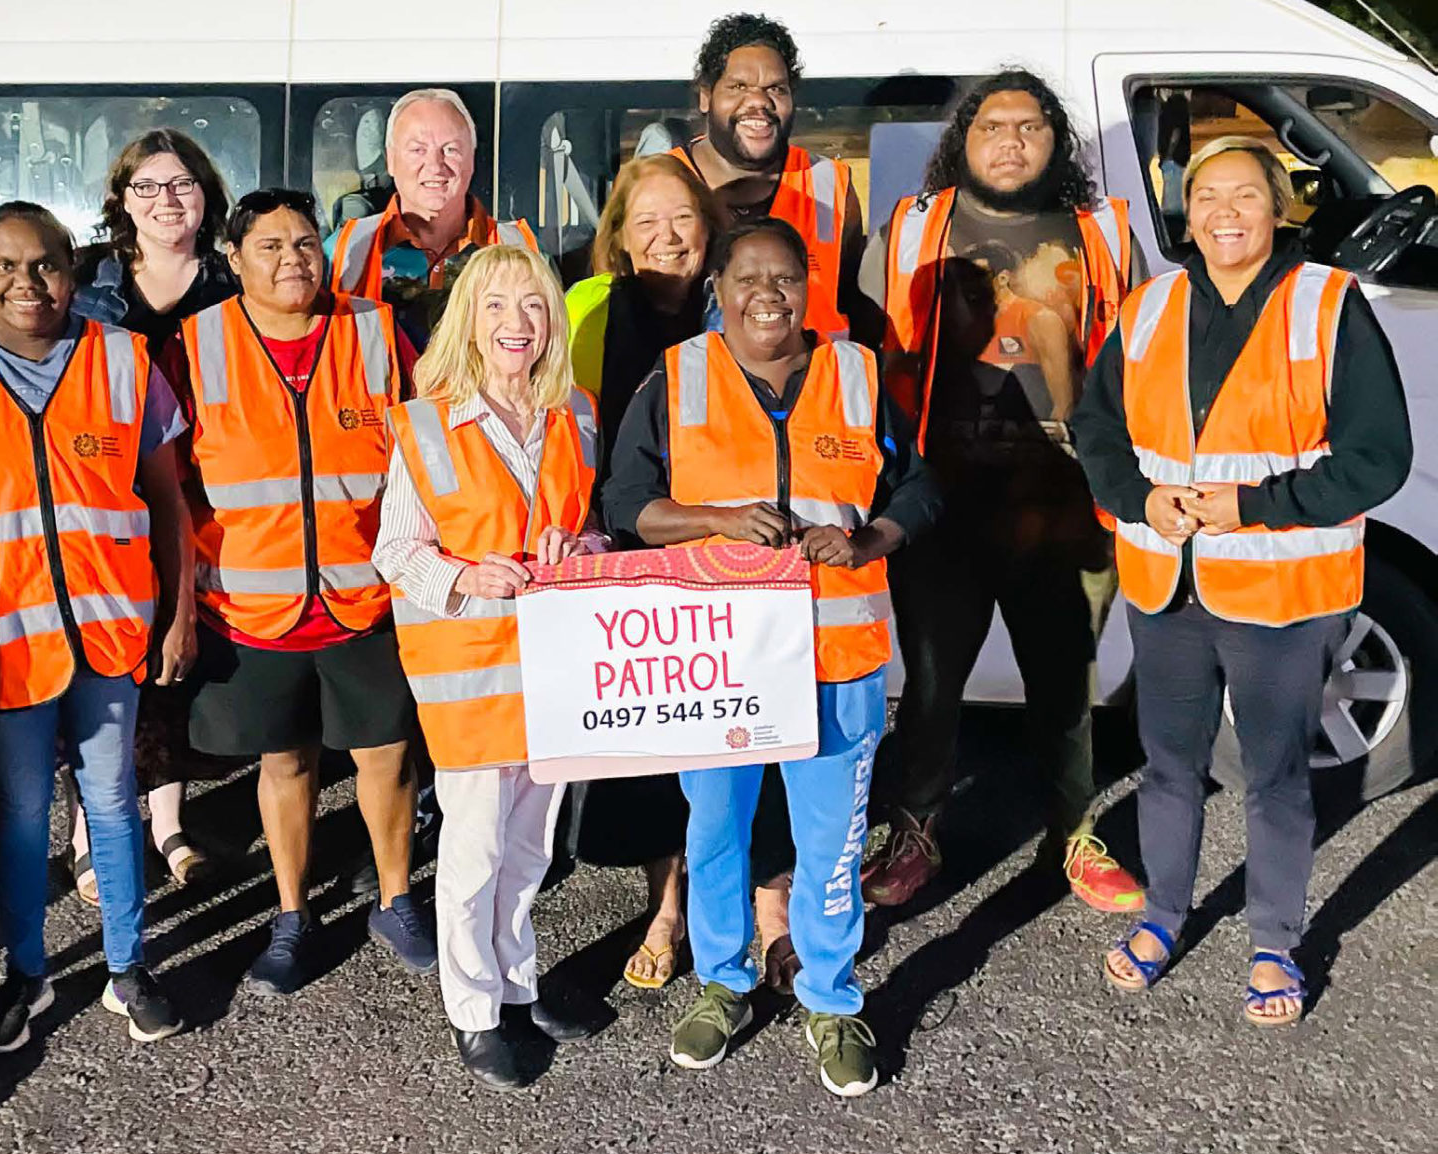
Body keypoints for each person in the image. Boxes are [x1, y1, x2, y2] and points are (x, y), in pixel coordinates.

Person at [1072, 137, 1411, 1026]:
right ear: (1185, 211)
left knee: (1275, 776)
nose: (1225, 212)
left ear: (1279, 206)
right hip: (1166, 587)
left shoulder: (1326, 304)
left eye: (1246, 195)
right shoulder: (1149, 305)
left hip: (1279, 595)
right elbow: (1096, 423)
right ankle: (1162, 918)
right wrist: (1138, 496)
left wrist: (1256, 504)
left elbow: (1382, 458)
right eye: (1207, 195)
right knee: (1169, 768)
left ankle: (1273, 943)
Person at [601, 217, 940, 1096]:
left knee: (831, 841)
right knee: (715, 830)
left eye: (785, 277)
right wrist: (716, 518)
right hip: (720, 661)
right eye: (748, 277)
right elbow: (629, 502)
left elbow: (920, 488)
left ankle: (830, 997)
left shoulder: (859, 375)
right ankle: (722, 981)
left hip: (839, 656)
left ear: (809, 283)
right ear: (718, 286)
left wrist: (871, 540)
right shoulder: (677, 380)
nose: (768, 295)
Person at [857, 70, 1149, 915]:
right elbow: (872, 362)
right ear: (964, 140)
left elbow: (1133, 357)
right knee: (933, 685)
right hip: (943, 498)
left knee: (1065, 684)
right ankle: (917, 831)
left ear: (1056, 140)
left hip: (1062, 502)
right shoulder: (913, 230)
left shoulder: (1099, 235)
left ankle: (1073, 835)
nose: (1011, 139)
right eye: (993, 125)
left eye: (1030, 125)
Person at [0, 202, 197, 1050]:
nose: (27, 283)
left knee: (112, 804)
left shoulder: (122, 359)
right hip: (0, 642)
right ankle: (29, 976)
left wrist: (178, 616)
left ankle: (126, 967)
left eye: (45, 265)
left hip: (109, 634)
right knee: (25, 815)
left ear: (74, 272)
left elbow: (169, 501)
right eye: (5, 266)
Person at [180, 188, 434, 994]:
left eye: (304, 243)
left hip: (366, 596)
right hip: (257, 604)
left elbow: (430, 443)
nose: (292, 259)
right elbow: (169, 479)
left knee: (385, 756)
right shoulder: (193, 346)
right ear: (233, 258)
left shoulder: (377, 330)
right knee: (284, 762)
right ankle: (292, 916)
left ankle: (395, 900)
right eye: (270, 246)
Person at [375, 243, 607, 1089]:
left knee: (530, 846)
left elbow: (594, 534)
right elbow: (394, 550)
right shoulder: (428, 420)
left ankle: (519, 983)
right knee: (471, 853)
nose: (518, 324)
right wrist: (466, 575)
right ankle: (474, 1012)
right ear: (468, 320)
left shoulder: (574, 412)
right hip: (469, 668)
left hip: (551, 669)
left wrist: (577, 545)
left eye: (534, 306)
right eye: (498, 306)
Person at [560, 154, 725, 990]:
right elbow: (559, 433)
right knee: (659, 739)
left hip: (733, 554)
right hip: (625, 546)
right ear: (619, 237)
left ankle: (750, 905)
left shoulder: (740, 301)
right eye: (646, 222)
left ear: (708, 228)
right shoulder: (587, 309)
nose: (666, 239)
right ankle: (666, 905)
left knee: (734, 732)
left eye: (683, 220)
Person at [68, 128, 244, 894]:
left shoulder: (234, 284)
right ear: (122, 200)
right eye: (149, 187)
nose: (167, 201)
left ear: (207, 197)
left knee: (176, 664)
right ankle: (89, 825)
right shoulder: (87, 283)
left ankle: (169, 821)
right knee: (104, 662)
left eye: (182, 185)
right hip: (105, 496)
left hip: (202, 497)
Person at [670, 13, 875, 345]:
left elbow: (862, 316)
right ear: (706, 95)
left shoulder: (830, 187)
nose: (759, 102)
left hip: (812, 391)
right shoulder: (659, 184)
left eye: (775, 89)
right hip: (686, 393)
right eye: (739, 87)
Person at [327, 87, 539, 349]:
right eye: (417, 150)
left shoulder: (523, 249)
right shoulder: (343, 250)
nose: (435, 166)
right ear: (391, 160)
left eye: (450, 149)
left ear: (471, 159)